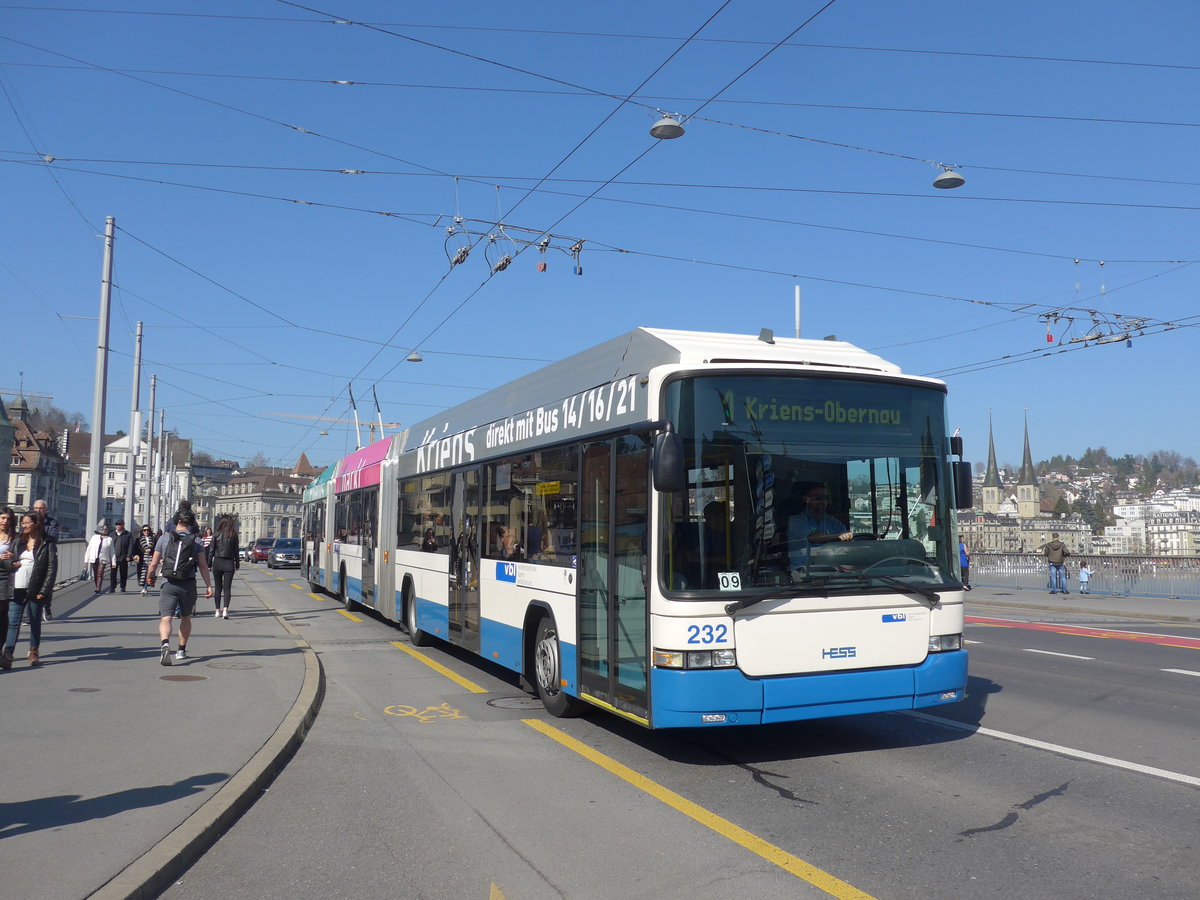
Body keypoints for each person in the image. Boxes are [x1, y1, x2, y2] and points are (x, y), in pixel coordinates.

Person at [147, 509, 213, 665]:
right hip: (188, 583)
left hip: (168, 583)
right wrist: (209, 586)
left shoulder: (164, 538)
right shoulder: (197, 541)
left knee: (166, 618)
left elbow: (154, 563)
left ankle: (165, 643)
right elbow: (203, 566)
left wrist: (150, 577)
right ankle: (181, 650)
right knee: (185, 617)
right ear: (191, 523)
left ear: (176, 521)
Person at [2, 512, 56, 668]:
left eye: (26, 523)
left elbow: (51, 569)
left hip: (35, 588)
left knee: (34, 621)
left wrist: (44, 591)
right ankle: (8, 655)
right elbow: (7, 563)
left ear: (36, 524)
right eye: (22, 523)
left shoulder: (47, 543)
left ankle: (33, 651)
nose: (23, 525)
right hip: (16, 587)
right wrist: (11, 563)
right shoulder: (18, 542)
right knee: (13, 622)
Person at [788, 482, 853, 569]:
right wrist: (839, 536)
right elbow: (814, 537)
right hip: (803, 572)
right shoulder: (795, 521)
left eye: (825, 498)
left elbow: (848, 541)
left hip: (832, 571)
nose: (822, 501)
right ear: (806, 499)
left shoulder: (833, 522)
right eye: (817, 498)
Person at [31, 499, 59, 621]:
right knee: (30, 583)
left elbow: (53, 537)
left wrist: (38, 535)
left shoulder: (52, 522)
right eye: (36, 508)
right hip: (32, 555)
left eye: (41, 508)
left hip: (47, 555)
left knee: (47, 583)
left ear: (46, 510)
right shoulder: (29, 521)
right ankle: (31, 614)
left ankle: (46, 606)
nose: (38, 510)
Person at [208, 515, 240, 619]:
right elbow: (236, 551)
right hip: (229, 562)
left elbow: (211, 550)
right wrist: (237, 563)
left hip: (217, 561)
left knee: (218, 588)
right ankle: (225, 610)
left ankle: (217, 611)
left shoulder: (216, 534)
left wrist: (209, 564)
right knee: (227, 588)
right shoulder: (233, 534)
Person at [0, 506, 18, 646]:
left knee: (2, 613)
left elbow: (20, 558)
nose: (5, 521)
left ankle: (1, 644)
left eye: (8, 519)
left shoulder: (15, 538)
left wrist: (13, 557)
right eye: (2, 518)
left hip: (5, 577)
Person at [83, 523, 116, 593]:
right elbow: (89, 548)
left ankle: (98, 588)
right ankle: (97, 586)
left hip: (103, 559)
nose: (104, 530)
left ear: (108, 531)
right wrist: (86, 559)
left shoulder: (109, 539)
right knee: (95, 574)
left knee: (100, 574)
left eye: (106, 529)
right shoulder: (94, 537)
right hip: (93, 558)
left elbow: (112, 551)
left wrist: (113, 562)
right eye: (103, 529)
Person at [110, 520, 136, 593]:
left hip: (124, 556)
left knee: (123, 573)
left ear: (123, 525)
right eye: (117, 524)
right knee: (113, 573)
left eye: (120, 524)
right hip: (114, 557)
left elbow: (131, 545)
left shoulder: (128, 534)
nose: (118, 526)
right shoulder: (112, 534)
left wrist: (129, 556)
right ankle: (112, 587)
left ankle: (123, 586)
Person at [136, 524, 156, 595]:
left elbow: (156, 549)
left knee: (150, 573)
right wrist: (136, 555)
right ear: (142, 531)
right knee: (143, 574)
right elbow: (136, 549)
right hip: (142, 559)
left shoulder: (153, 539)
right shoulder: (138, 539)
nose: (146, 531)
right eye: (144, 530)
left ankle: (146, 587)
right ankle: (144, 587)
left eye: (147, 530)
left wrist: (151, 551)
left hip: (151, 558)